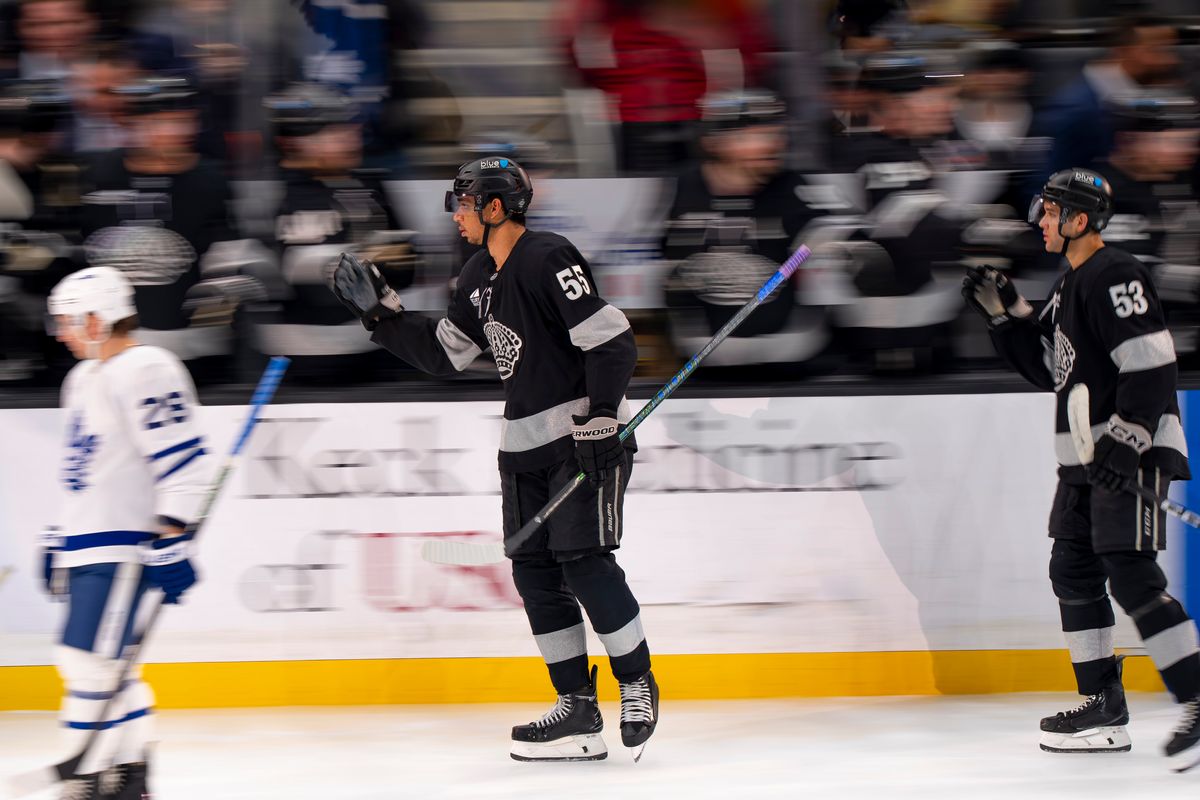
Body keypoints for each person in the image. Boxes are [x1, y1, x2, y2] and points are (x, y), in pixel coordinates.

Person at [329, 157, 658, 762]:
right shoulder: (478, 273)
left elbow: (610, 338)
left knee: (584, 565)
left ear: (495, 207)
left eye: (462, 204)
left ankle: (635, 683)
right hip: (523, 450)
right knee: (534, 574)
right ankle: (578, 711)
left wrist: (604, 418)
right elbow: (444, 354)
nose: (455, 216)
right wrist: (380, 316)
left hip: (581, 441)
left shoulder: (549, 256)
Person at [962, 168, 1199, 769]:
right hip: (1084, 465)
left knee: (1131, 576)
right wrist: (1005, 317)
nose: (1039, 222)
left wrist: (1126, 443)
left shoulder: (1115, 274)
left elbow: (1152, 366)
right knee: (1072, 568)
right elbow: (1051, 369)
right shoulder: (1070, 286)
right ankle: (1102, 704)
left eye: (1049, 213)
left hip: (1128, 453)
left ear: (1078, 220)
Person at [40, 265, 206, 798]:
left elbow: (182, 461)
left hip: (122, 547)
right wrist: (56, 538)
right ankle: (129, 768)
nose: (61, 333)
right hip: (88, 544)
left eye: (67, 321)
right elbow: (79, 468)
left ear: (97, 318)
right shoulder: (83, 378)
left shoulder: (147, 368)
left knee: (86, 660)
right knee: (103, 664)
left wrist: (172, 535)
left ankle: (86, 776)